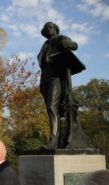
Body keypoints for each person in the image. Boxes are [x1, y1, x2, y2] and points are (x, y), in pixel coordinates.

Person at [38, 21, 82, 149]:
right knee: (51, 109)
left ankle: (54, 139)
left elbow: (74, 45)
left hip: (56, 77)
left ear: (56, 29)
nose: (48, 30)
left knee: (52, 107)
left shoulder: (60, 38)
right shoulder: (45, 45)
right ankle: (56, 139)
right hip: (45, 79)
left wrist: (69, 44)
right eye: (46, 28)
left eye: (51, 27)